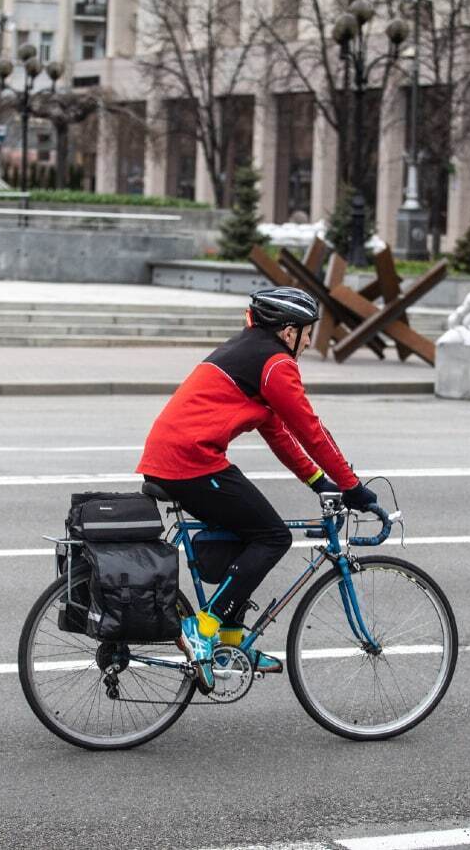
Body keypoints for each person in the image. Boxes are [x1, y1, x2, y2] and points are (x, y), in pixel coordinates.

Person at [136, 287, 377, 692]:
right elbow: (311, 432)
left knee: (249, 532)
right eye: (307, 332)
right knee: (272, 535)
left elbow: (279, 434)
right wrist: (353, 488)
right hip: (191, 459)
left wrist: (320, 482)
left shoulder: (249, 353)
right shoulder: (275, 364)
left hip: (174, 454)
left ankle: (231, 644)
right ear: (288, 331)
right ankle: (202, 628)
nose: (309, 341)